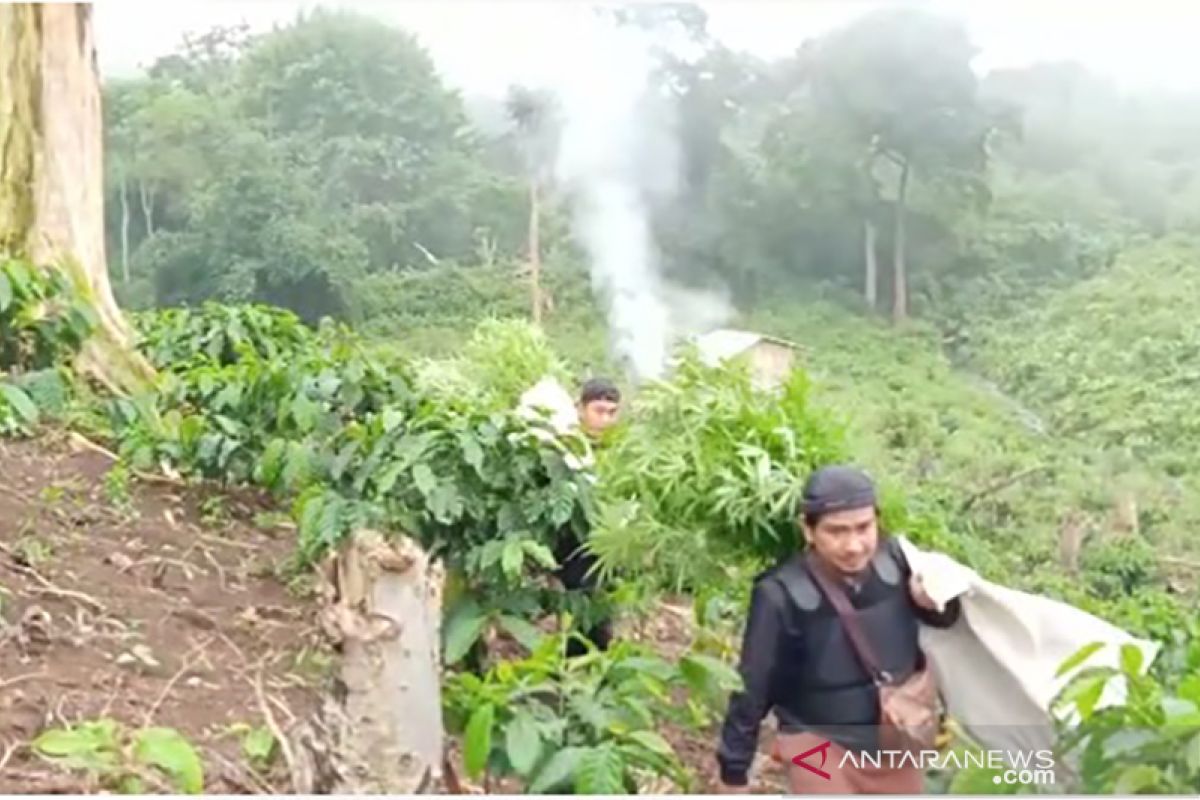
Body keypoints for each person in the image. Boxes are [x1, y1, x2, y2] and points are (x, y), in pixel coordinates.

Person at [715, 465, 962, 794]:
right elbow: (752, 685)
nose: (854, 545)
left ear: (877, 520)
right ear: (808, 529)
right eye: (837, 531)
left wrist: (936, 603)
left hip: (896, 735)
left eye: (863, 528)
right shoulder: (781, 593)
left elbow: (946, 625)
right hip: (812, 739)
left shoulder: (899, 563)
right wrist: (734, 771)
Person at [552, 377, 622, 656]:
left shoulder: (619, 452)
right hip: (573, 544)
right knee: (584, 604)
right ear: (580, 409)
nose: (605, 419)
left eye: (612, 412)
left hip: (608, 546)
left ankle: (588, 667)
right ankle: (576, 668)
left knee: (601, 608)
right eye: (599, 410)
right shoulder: (565, 447)